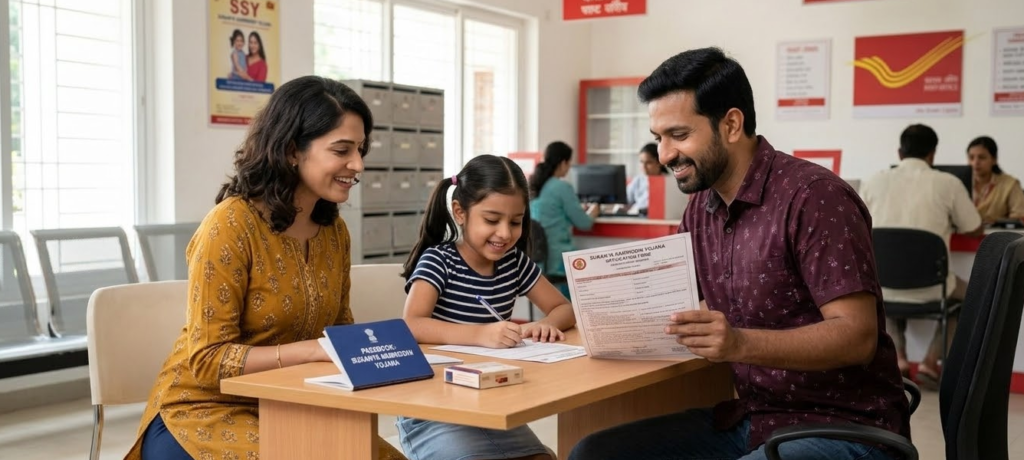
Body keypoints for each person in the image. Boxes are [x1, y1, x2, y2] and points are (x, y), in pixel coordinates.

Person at [569, 47, 908, 460]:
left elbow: (857, 338)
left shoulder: (814, 198)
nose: (664, 155)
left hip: (845, 427)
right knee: (594, 453)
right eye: (659, 139)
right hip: (754, 418)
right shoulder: (701, 208)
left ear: (731, 124)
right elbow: (673, 300)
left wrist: (738, 344)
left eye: (679, 135)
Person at [125, 76, 406, 460]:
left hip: (292, 403)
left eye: (360, 149)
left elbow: (338, 332)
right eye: (342, 150)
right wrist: (308, 353)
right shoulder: (230, 226)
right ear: (292, 150)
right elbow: (208, 361)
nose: (357, 164)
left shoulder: (334, 231)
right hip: (203, 411)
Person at [398, 154, 575, 460]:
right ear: (460, 212)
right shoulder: (439, 261)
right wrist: (480, 334)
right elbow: (411, 325)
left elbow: (564, 308)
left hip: (490, 403)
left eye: (516, 222)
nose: (505, 233)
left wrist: (545, 325)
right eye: (492, 220)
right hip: (432, 407)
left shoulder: (514, 263)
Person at [859, 124, 983, 388]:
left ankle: (900, 361)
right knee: (975, 296)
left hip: (884, 287)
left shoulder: (873, 182)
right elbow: (974, 228)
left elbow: (858, 227)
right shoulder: (948, 183)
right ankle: (930, 362)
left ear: (899, 153)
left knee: (887, 291)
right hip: (932, 286)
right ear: (932, 154)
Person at [528, 141, 599, 298]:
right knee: (597, 266)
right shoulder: (562, 187)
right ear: (563, 162)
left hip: (537, 262)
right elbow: (584, 224)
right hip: (559, 261)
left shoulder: (534, 185)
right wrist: (594, 211)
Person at [967, 135, 1024, 224]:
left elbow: (1020, 216)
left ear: (994, 159)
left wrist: (996, 221)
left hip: (997, 235)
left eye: (982, 157)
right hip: (963, 235)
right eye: (971, 158)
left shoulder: (1010, 184)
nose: (975, 162)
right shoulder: (958, 183)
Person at [625, 142, 669, 212]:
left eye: (648, 162)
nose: (644, 167)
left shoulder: (668, 182)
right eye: (641, 162)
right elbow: (626, 200)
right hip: (636, 217)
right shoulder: (638, 180)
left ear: (659, 163)